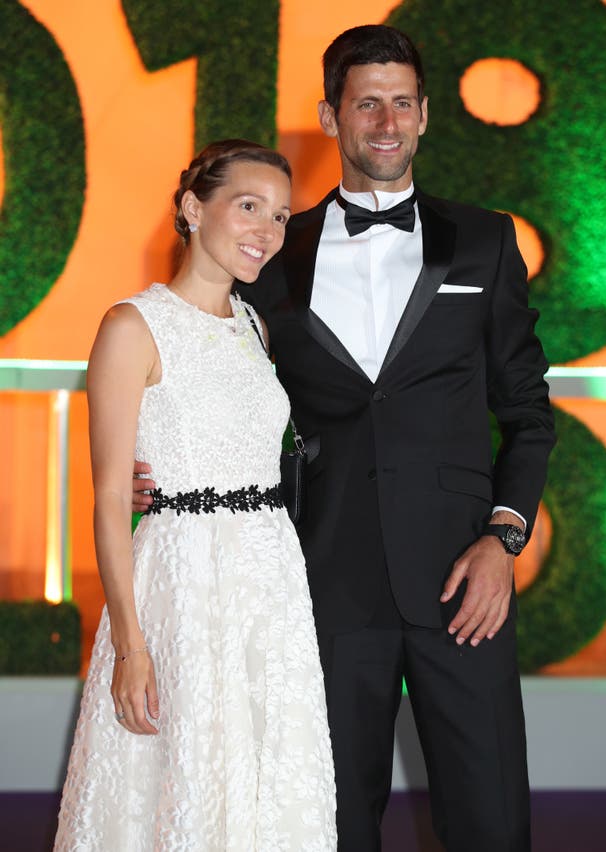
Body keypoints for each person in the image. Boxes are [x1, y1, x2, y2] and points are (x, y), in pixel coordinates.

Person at [134, 25, 556, 852]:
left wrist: (504, 539)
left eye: (402, 103)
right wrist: (157, 467)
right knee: (323, 820)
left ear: (427, 115)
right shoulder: (271, 251)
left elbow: (529, 410)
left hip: (464, 576)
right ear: (331, 117)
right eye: (367, 103)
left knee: (493, 818)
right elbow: (201, 361)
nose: (386, 122)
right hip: (316, 578)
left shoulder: (486, 239)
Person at [55, 140, 337, 851]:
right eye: (248, 207)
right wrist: (129, 644)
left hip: (269, 588)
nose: (266, 232)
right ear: (191, 207)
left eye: (279, 215)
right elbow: (111, 497)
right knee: (177, 785)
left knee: (268, 787)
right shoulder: (131, 326)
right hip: (180, 586)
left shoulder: (256, 327)